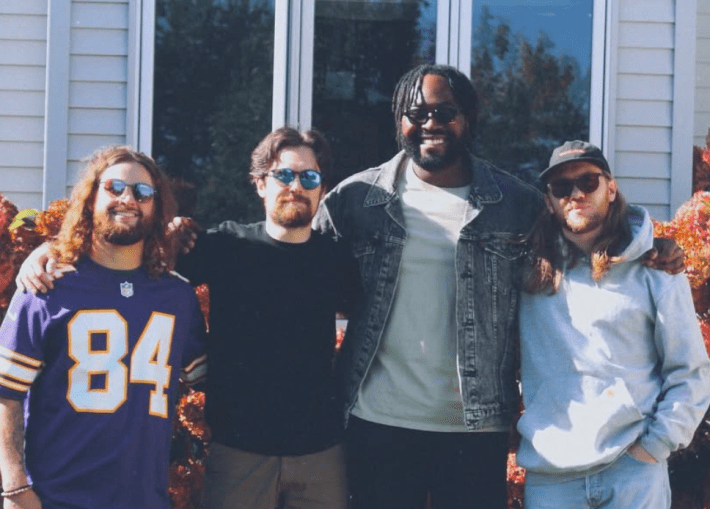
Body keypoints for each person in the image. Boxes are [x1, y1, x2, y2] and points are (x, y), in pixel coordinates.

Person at [312, 64, 684, 508]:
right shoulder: (357, 199)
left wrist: (648, 243)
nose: (430, 123)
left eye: (444, 112)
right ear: (399, 120)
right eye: (417, 113)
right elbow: (301, 261)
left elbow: (585, 231)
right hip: (377, 423)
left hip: (475, 429)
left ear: (467, 118)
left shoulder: (514, 203)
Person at [0, 146, 206, 509]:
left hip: (145, 501)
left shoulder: (177, 297)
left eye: (143, 192)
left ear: (157, 208)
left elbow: (209, 380)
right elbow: (6, 392)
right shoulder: (46, 286)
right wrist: (15, 486)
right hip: (56, 498)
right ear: (90, 198)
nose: (128, 199)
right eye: (114, 187)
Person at [517, 140, 710, 508]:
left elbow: (691, 371)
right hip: (552, 479)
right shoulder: (527, 272)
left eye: (588, 182)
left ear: (611, 188)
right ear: (549, 201)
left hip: (632, 472)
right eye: (561, 187)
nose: (576, 194)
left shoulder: (655, 268)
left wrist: (655, 446)